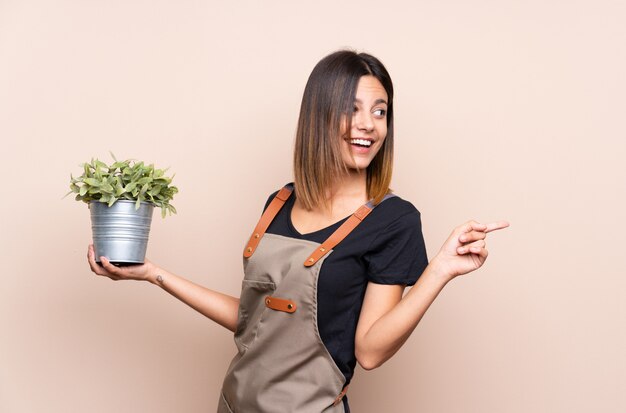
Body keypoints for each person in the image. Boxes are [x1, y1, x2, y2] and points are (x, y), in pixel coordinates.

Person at [87, 50, 509, 413]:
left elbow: (370, 351)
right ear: (319, 115)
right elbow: (254, 320)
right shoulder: (279, 202)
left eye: (379, 111)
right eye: (353, 108)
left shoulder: (393, 221)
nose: (368, 124)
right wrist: (152, 274)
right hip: (233, 405)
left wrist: (439, 272)